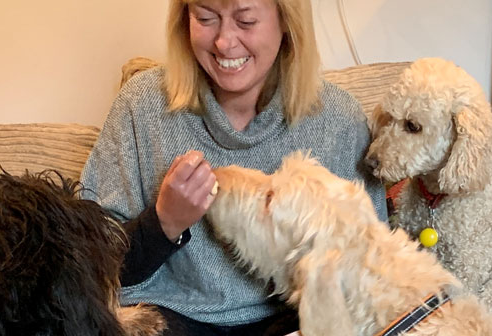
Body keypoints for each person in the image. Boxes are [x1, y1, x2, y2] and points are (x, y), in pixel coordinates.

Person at [80, 0, 387, 334]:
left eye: (246, 20)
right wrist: (163, 223)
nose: (224, 42)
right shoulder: (140, 105)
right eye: (206, 17)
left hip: (290, 317)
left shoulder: (340, 120)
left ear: (286, 22)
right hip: (164, 317)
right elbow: (87, 265)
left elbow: (371, 269)